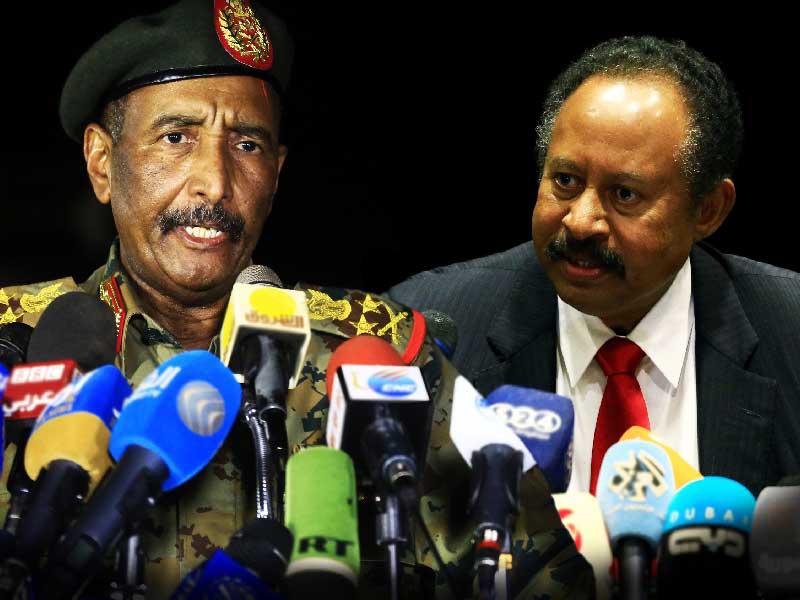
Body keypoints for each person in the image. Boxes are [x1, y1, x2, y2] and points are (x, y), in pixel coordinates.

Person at [0, 1, 593, 597]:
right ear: (102, 163)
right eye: (176, 137)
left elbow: (546, 578)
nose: (216, 182)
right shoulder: (15, 345)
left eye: (247, 145)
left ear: (277, 173)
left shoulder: (377, 355)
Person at [389, 35, 800, 498]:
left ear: (708, 210)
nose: (581, 222)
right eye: (566, 181)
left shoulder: (790, 333)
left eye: (625, 194)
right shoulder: (422, 333)